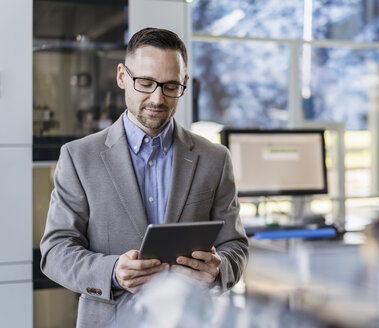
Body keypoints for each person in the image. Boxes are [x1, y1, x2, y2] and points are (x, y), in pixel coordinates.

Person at [40, 27, 249, 328]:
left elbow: (235, 246)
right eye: (146, 83)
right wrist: (112, 270)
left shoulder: (214, 159)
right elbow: (56, 251)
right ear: (122, 76)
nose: (157, 98)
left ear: (184, 84)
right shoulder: (78, 157)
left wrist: (219, 270)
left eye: (170, 86)